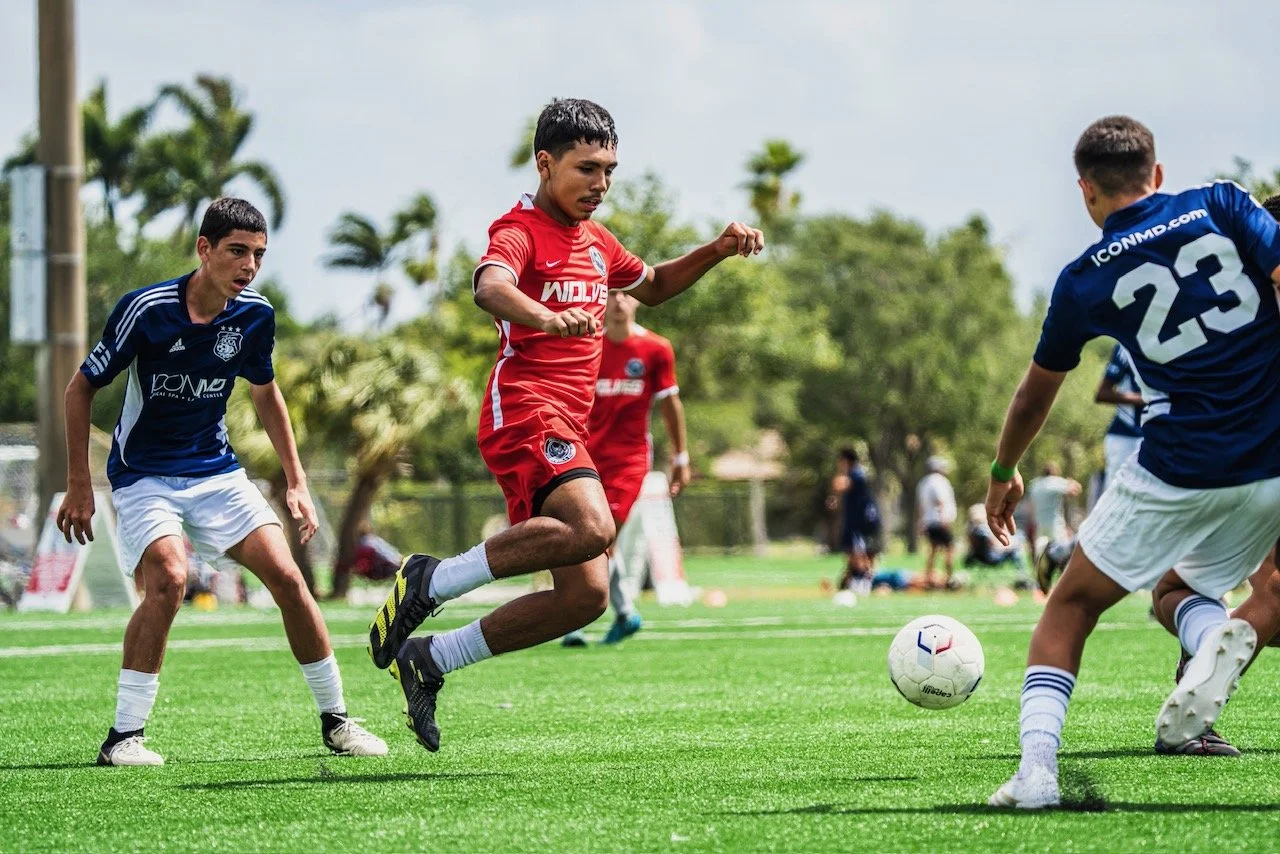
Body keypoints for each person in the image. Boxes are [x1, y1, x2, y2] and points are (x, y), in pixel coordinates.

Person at [366, 98, 763, 752]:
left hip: (563, 424)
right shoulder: (519, 228)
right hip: (522, 405)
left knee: (586, 597)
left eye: (609, 169)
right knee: (593, 527)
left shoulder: (599, 243)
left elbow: (656, 284)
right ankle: (430, 580)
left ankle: (431, 660)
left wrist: (718, 249)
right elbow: (489, 286)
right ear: (545, 164)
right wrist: (545, 318)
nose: (600, 183)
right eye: (586, 169)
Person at [984, 116, 1280, 809]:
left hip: (1176, 468)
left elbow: (1034, 396)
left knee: (1071, 608)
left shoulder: (1083, 280)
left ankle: (1035, 776)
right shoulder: (1225, 203)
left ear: (1086, 192)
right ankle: (1216, 641)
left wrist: (1004, 473)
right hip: (1271, 464)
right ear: (1158, 173)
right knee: (1185, 590)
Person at [57, 198, 386, 767]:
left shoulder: (255, 313)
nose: (249, 266)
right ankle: (123, 738)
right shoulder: (146, 310)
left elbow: (266, 393)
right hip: (143, 475)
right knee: (170, 580)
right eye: (237, 251)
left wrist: (296, 480)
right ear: (204, 250)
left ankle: (337, 721)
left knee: (287, 576)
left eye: (258, 255)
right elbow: (79, 388)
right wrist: (79, 484)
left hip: (215, 469)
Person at [561, 290, 689, 647]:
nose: (618, 300)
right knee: (589, 538)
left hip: (629, 461)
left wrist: (681, 457)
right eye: (611, 293)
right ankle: (623, 612)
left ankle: (583, 618)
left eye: (627, 293)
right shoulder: (587, 347)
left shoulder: (656, 349)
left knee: (598, 535)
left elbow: (670, 405)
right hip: (585, 456)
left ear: (638, 300)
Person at [828, 448, 881, 594]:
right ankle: (852, 580)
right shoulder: (855, 473)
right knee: (852, 552)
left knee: (858, 553)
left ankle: (863, 582)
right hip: (854, 520)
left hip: (860, 521)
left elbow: (839, 484)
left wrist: (840, 475)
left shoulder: (857, 473)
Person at [1025, 462, 1082, 592]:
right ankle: (1064, 583)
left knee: (1039, 555)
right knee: (1061, 553)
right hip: (1055, 524)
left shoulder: (1034, 484)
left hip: (1039, 523)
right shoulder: (1055, 482)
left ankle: (1039, 584)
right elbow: (1075, 489)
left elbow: (1031, 505)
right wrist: (1071, 482)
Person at [1095, 343, 1144, 487]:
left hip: (1158, 432)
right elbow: (1102, 393)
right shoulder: (1126, 346)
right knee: (1117, 489)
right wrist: (1147, 399)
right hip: (1126, 434)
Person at [916, 456, 956, 588]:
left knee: (933, 550)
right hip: (939, 520)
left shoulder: (923, 483)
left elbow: (921, 506)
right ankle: (949, 579)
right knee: (950, 549)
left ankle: (928, 579)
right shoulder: (939, 481)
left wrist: (921, 522)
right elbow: (940, 501)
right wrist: (944, 519)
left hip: (929, 521)